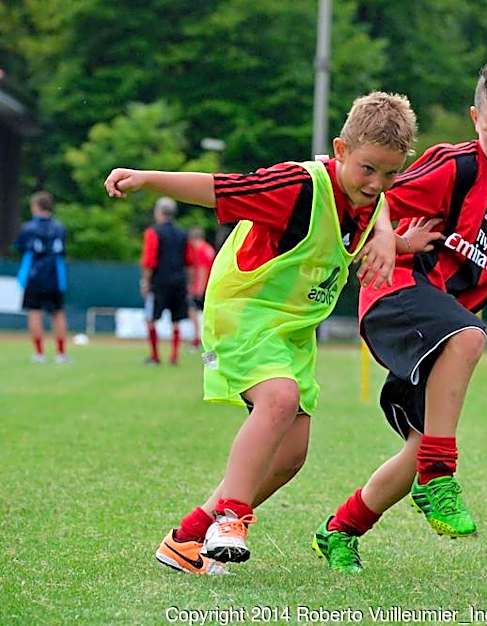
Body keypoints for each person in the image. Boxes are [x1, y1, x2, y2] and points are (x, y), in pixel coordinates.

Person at [104, 91, 419, 575]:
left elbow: (377, 206)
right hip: (244, 311)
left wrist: (393, 239)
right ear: (340, 150)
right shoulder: (297, 186)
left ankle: (187, 539)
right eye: (368, 169)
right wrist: (147, 178)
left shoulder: (368, 199)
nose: (377, 184)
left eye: (390, 174)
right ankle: (230, 517)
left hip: (293, 330)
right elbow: (220, 188)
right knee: (279, 397)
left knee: (291, 455)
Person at [314, 53, 487, 574]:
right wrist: (386, 238)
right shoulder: (452, 166)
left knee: (417, 447)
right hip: (395, 293)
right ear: (475, 119)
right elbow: (376, 195)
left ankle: (339, 532)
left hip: (440, 333)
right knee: (470, 335)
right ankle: (440, 475)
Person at [15, 191, 70, 364]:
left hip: (34, 278)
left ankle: (39, 354)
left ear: (35, 206)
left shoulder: (28, 228)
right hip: (55, 278)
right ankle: (61, 354)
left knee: (34, 314)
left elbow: (21, 248)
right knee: (58, 314)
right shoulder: (60, 228)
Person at [140, 197, 192, 365]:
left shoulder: (153, 232)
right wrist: (189, 283)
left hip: (159, 282)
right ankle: (174, 356)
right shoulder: (183, 234)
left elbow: (149, 260)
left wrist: (145, 281)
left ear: (159, 212)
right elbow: (189, 261)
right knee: (176, 320)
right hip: (179, 281)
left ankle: (155, 356)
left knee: (151, 318)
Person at [186, 226, 215, 348]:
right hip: (212, 286)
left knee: (194, 312)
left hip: (204, 287)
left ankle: (197, 339)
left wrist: (199, 290)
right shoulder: (209, 249)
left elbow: (203, 271)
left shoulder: (201, 250)